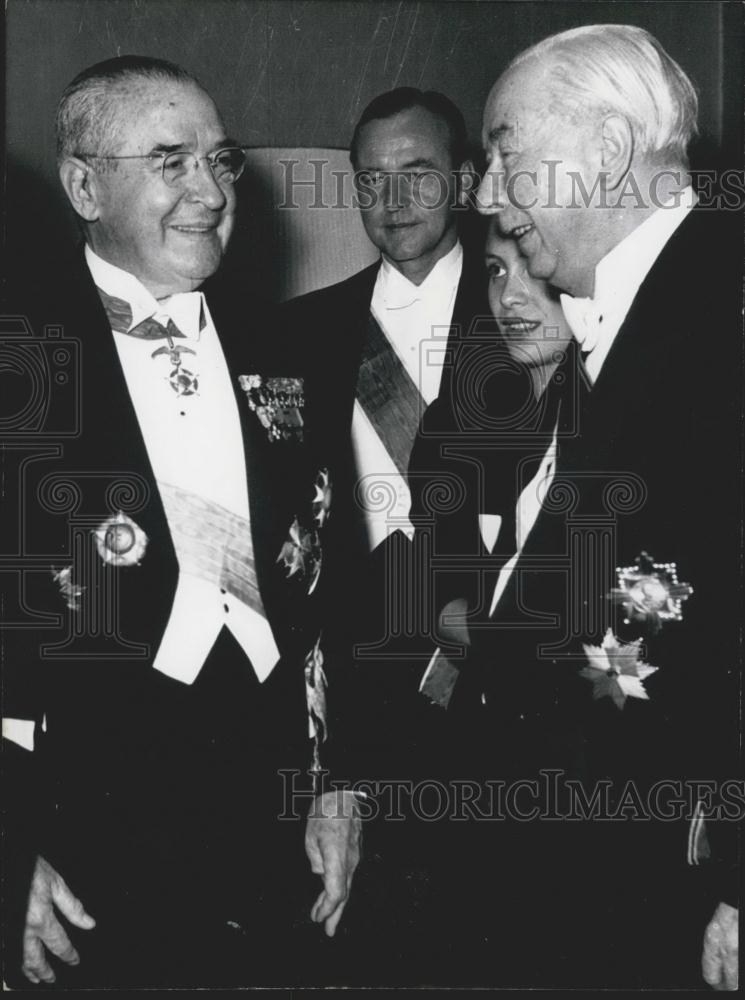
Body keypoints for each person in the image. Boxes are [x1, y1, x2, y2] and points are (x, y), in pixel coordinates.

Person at [0, 55, 360, 988]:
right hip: (81, 822)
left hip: (274, 814)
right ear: (84, 185)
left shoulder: (289, 350)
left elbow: (344, 588)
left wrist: (348, 782)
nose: (209, 190)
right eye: (171, 161)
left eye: (222, 160)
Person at [449, 23, 740, 987]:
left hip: (664, 892)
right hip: (572, 886)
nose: (486, 193)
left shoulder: (716, 309)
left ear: (608, 152)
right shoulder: (621, 319)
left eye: (504, 152)